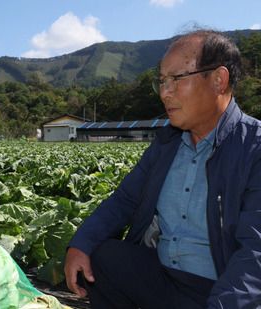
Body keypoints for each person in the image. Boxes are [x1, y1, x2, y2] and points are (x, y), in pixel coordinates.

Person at [64, 29, 261, 308]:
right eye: (161, 82)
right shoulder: (167, 143)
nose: (165, 93)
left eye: (176, 80)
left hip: (220, 291)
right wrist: (81, 243)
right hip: (164, 278)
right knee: (105, 256)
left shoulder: (254, 147)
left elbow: (255, 254)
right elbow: (124, 200)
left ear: (218, 80)